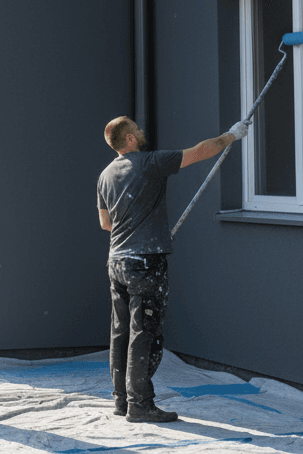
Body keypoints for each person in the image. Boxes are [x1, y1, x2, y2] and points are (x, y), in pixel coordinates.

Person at [97, 115, 250, 424]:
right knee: (144, 334)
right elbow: (199, 151)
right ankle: (141, 405)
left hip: (117, 261)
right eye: (137, 131)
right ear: (128, 139)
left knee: (121, 331)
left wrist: (136, 225)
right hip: (144, 263)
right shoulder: (150, 162)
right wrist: (231, 136)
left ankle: (122, 401)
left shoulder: (105, 175)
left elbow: (106, 224)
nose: (141, 133)